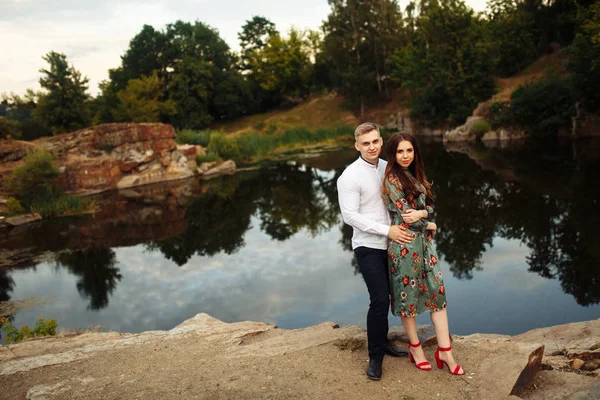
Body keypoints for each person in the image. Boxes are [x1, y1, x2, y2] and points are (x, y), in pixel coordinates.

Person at [381, 132, 464, 375]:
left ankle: (445, 351)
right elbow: (407, 217)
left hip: (425, 247)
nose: (405, 156)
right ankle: (415, 347)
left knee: (437, 295)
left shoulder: (416, 175)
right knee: (408, 299)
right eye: (399, 151)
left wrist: (424, 214)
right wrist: (429, 221)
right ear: (393, 154)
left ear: (415, 152)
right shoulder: (390, 180)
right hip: (404, 246)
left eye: (409, 150)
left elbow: (425, 207)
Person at [337, 123, 414, 380]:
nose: (371, 147)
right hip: (368, 246)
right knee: (379, 299)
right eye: (365, 143)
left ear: (381, 142)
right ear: (357, 146)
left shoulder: (388, 167)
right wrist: (385, 230)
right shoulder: (349, 177)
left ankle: (383, 343)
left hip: (394, 243)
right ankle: (375, 358)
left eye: (375, 142)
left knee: (392, 297)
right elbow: (350, 216)